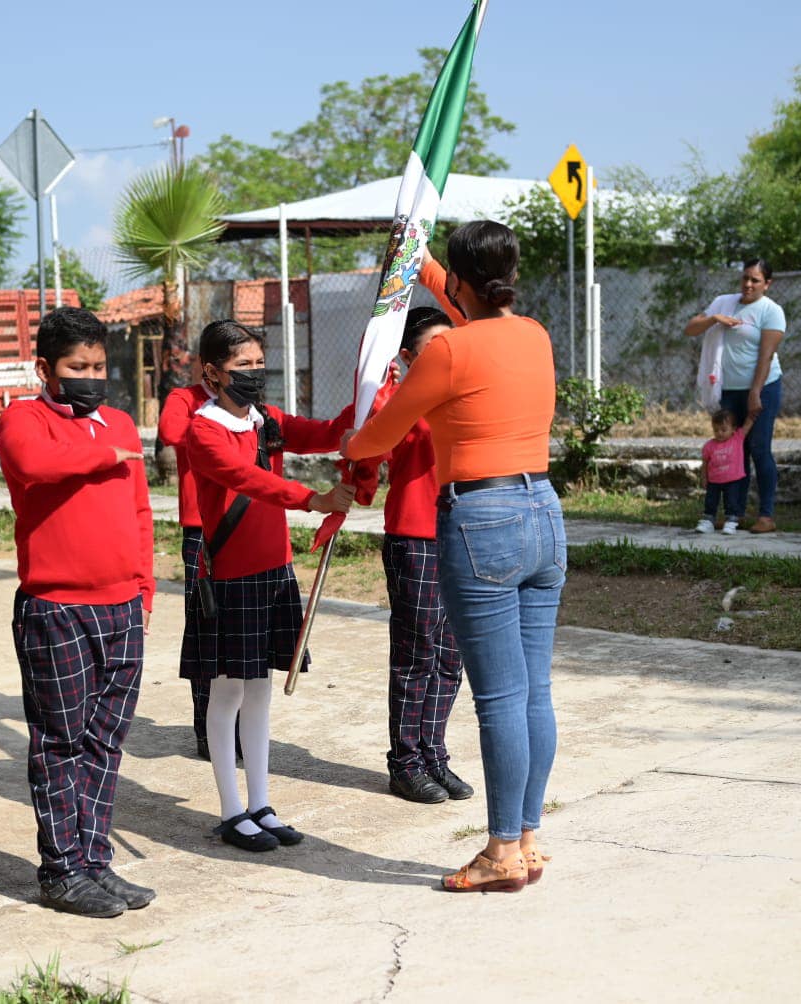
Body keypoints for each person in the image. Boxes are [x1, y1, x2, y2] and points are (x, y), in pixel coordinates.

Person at [343, 221, 564, 894]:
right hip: (543, 513)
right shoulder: (535, 334)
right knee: (533, 690)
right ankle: (525, 839)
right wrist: (421, 257)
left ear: (462, 284)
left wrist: (351, 447)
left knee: (498, 697)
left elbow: (381, 432)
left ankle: (499, 852)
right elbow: (467, 296)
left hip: (482, 519)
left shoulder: (446, 353)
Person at [0, 306, 157, 919]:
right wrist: (106, 455)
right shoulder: (23, 419)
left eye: (98, 365)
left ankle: (94, 861)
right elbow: (35, 465)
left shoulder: (117, 422)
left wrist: (145, 588)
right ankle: (61, 870)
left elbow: (140, 511)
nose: (91, 376)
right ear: (46, 369)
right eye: (76, 367)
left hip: (121, 605)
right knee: (59, 743)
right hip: (56, 608)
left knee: (106, 743)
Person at [184, 320, 353, 854]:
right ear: (211, 373)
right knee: (228, 690)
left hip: (273, 570)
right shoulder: (203, 430)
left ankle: (261, 803)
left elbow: (325, 432)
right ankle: (232, 809)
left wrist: (369, 396)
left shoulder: (268, 421)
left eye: (260, 364)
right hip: (230, 574)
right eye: (242, 367)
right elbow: (248, 480)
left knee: (260, 690)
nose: (255, 375)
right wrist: (313, 499)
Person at [377, 307, 472, 805]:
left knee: (452, 654)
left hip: (459, 530)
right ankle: (405, 761)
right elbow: (385, 441)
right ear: (409, 357)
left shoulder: (461, 395)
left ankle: (435, 753)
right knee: (417, 653)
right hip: (414, 535)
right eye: (435, 347)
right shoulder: (395, 398)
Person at [684, 259, 786, 534]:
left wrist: (755, 392)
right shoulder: (723, 303)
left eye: (755, 280)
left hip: (762, 387)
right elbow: (691, 328)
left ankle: (766, 515)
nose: (748, 285)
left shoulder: (771, 311)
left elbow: (765, 357)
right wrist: (714, 319)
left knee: (759, 449)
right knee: (733, 451)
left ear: (767, 284)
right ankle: (734, 514)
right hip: (729, 390)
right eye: (745, 278)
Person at [157, 352, 218, 760]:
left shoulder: (253, 405)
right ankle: (206, 727)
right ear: (209, 367)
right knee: (204, 626)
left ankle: (234, 725)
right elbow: (170, 431)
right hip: (202, 531)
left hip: (247, 526)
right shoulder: (185, 399)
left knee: (241, 633)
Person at [697, 409, 753, 535]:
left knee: (731, 502)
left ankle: (731, 522)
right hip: (714, 481)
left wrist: (752, 415)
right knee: (710, 502)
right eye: (716, 430)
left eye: (723, 430)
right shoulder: (709, 446)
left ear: (733, 429)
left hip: (733, 480)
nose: (719, 433)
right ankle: (708, 522)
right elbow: (705, 463)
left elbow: (747, 426)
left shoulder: (737, 438)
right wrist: (704, 478)